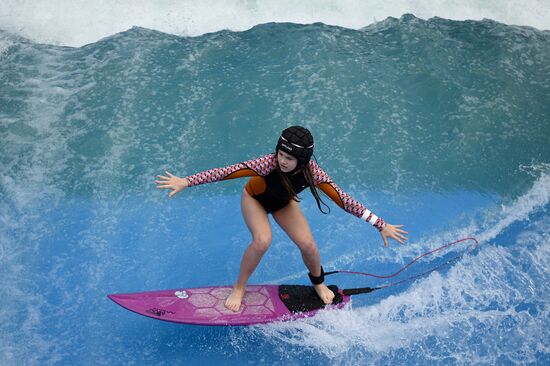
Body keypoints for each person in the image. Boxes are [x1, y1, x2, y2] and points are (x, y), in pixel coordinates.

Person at [155, 126, 408, 312]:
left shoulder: (314, 174)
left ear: (303, 161)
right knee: (263, 240)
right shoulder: (267, 164)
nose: (283, 161)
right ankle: (240, 287)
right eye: (281, 155)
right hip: (255, 200)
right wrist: (187, 181)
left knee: (308, 245)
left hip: (283, 203)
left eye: (289, 158)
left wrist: (380, 225)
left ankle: (319, 284)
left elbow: (343, 200)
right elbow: (227, 172)